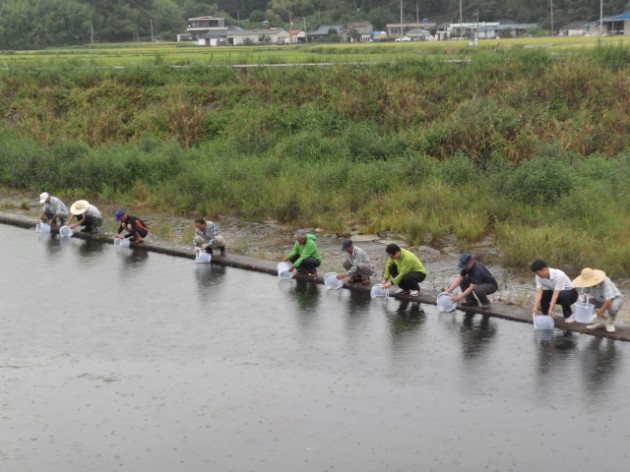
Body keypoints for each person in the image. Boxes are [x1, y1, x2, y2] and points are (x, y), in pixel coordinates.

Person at [573, 267, 624, 333]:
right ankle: (600, 322)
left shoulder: (605, 281)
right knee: (586, 302)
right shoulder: (587, 284)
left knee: (612, 308)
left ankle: (610, 323)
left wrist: (596, 314)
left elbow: (608, 301)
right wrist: (581, 301)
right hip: (600, 299)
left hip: (615, 298)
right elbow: (583, 293)